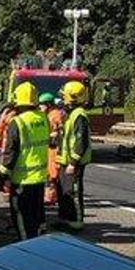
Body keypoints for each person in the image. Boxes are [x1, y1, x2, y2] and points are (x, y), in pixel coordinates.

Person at [0, 82, 50, 240]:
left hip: (21, 180)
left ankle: (24, 246)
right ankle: (38, 240)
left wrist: (3, 175)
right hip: (39, 178)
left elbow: (11, 152)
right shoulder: (43, 118)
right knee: (36, 214)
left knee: (21, 215)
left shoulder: (18, 122)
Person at [56, 81, 92, 231]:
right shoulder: (71, 114)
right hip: (65, 160)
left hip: (73, 162)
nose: (62, 99)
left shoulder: (79, 116)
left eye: (64, 96)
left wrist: (73, 163)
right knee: (64, 191)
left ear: (73, 98)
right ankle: (65, 219)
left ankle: (76, 222)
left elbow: (80, 141)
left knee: (73, 192)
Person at [39, 93, 64, 205]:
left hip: (54, 149)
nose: (40, 107)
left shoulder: (54, 115)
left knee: (52, 174)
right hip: (50, 148)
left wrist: (47, 136)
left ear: (48, 104)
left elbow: (58, 132)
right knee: (50, 173)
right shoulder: (49, 114)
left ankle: (51, 197)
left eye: (42, 105)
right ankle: (51, 196)